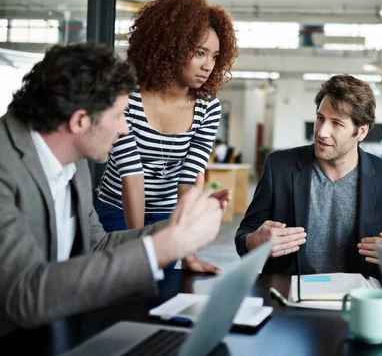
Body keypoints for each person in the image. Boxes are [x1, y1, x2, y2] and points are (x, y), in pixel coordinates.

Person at [0, 43, 229, 337]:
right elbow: (23, 296)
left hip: (56, 330)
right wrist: (163, 248)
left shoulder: (74, 162)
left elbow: (96, 245)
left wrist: (178, 231)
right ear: (80, 121)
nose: (124, 128)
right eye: (119, 115)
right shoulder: (5, 167)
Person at [96, 0, 238, 273]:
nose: (208, 65)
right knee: (124, 281)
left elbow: (188, 181)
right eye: (200, 52)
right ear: (170, 46)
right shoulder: (126, 96)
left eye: (215, 56)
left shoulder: (208, 107)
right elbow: (131, 176)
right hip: (117, 210)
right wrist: (140, 251)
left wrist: (189, 256)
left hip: (168, 215)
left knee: (164, 288)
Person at [235, 74, 382, 278]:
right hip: (290, 293)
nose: (321, 132)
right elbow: (244, 235)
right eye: (320, 118)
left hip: (359, 298)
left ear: (361, 132)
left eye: (336, 123)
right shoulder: (279, 166)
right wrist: (255, 241)